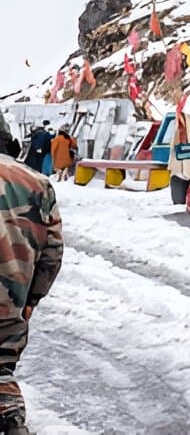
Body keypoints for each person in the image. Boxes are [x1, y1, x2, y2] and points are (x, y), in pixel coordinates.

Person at [0, 153, 65, 433]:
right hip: (10, 300)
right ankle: (12, 424)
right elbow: (53, 250)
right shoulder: (34, 180)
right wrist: (32, 298)